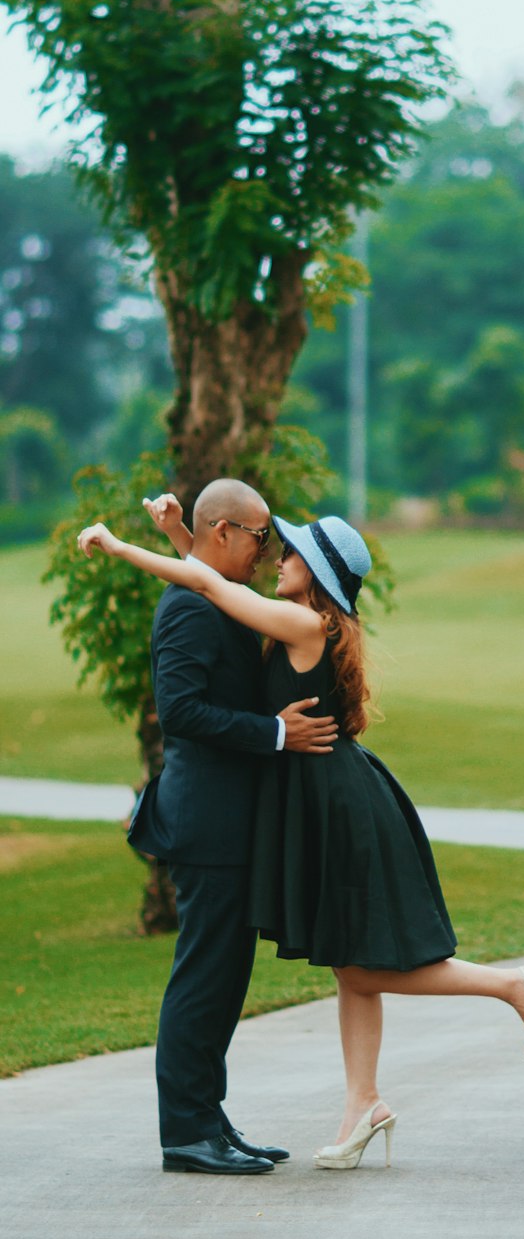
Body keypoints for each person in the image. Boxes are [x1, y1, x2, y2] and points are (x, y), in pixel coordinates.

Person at [78, 500, 524, 1171]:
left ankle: (513, 988)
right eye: (266, 541)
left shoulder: (300, 619)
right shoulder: (301, 617)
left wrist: (117, 545)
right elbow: (211, 580)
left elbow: (210, 582)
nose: (274, 556)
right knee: (350, 967)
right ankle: (360, 1107)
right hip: (321, 799)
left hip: (333, 805)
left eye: (285, 550)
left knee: (360, 962)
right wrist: (178, 533)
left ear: (312, 571)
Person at [101, 478, 338, 1177]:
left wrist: (177, 536)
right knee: (203, 979)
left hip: (231, 827)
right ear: (227, 531)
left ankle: (209, 1119)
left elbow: (202, 570)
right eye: (261, 536)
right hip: (206, 827)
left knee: (225, 979)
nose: (268, 551)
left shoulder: (209, 589)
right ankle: (185, 1132)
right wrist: (274, 733)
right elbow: (180, 712)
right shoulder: (187, 611)